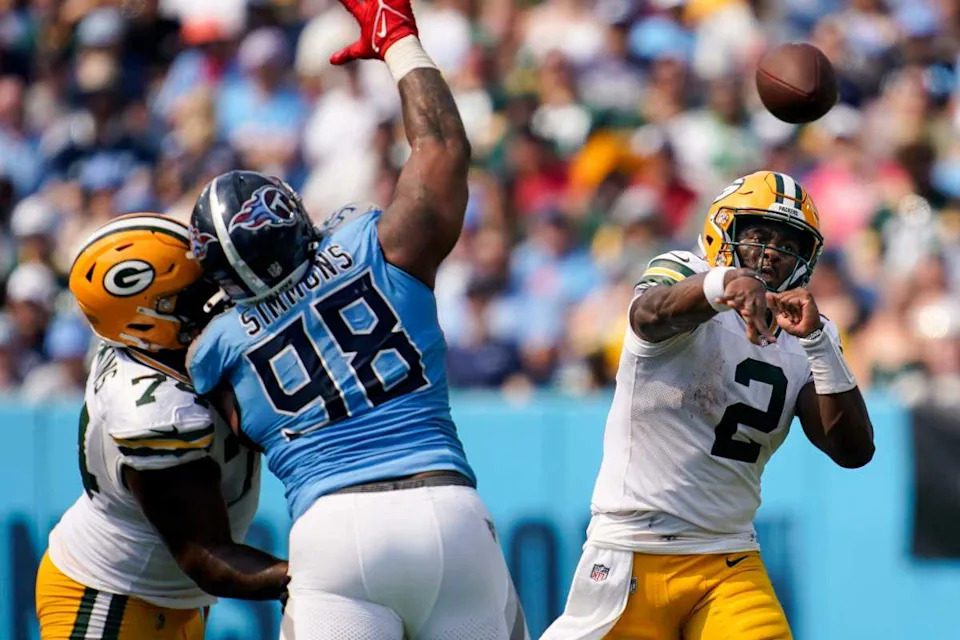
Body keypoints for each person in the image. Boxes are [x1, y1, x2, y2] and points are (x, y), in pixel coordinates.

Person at [184, 1, 528, 639]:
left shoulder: (215, 349)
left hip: (332, 530)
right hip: (447, 510)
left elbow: (232, 434)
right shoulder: (373, 248)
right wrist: (400, 42)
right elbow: (443, 148)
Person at [542, 170, 875, 640]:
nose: (772, 253)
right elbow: (648, 315)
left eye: (787, 244)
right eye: (759, 236)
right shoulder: (685, 271)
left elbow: (853, 451)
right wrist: (722, 286)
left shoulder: (806, 332)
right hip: (633, 549)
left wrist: (820, 344)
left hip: (728, 558)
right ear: (723, 230)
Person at [35, 214, 288, 639]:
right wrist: (311, 580)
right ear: (145, 319)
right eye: (193, 294)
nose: (216, 297)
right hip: (112, 599)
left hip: (170, 595)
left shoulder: (147, 344)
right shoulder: (154, 412)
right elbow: (206, 557)